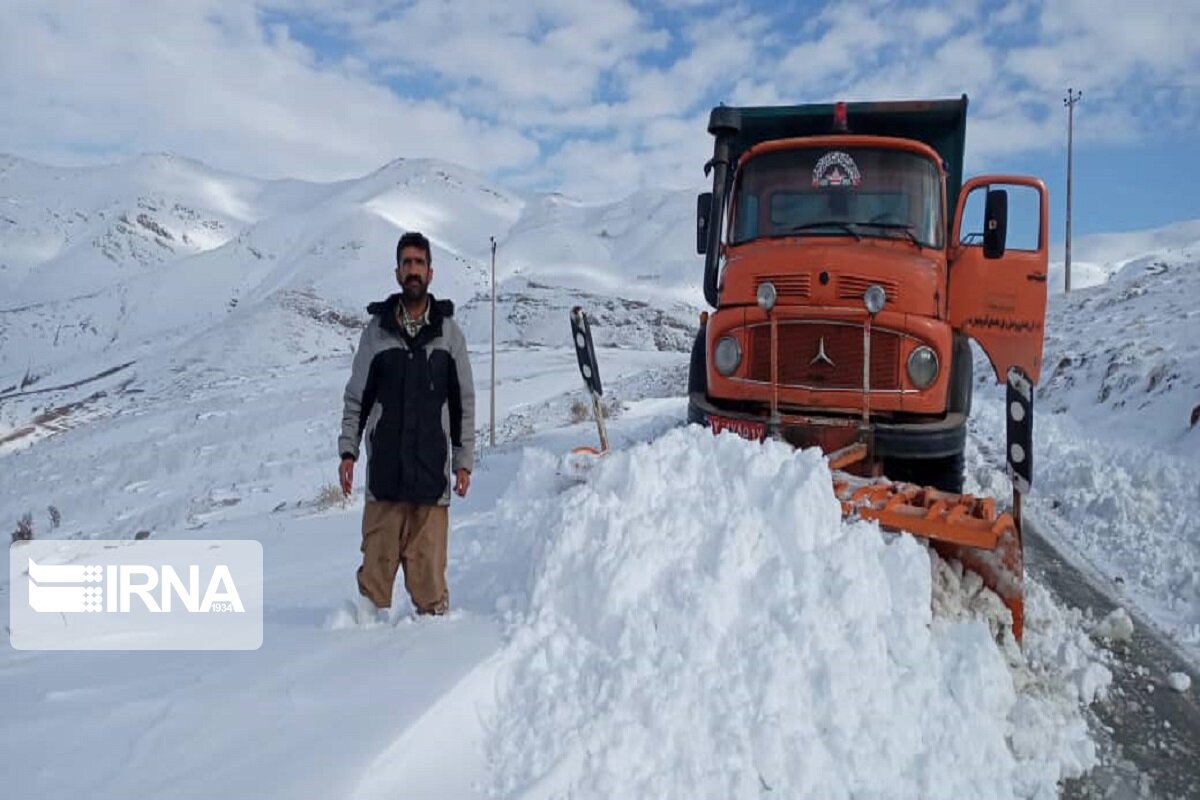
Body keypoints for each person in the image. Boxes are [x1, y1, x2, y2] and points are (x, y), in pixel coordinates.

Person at [338, 231, 475, 621]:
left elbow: (464, 401)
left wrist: (463, 461)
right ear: (397, 273)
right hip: (385, 480)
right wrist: (348, 451)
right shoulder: (376, 333)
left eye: (419, 263)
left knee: (430, 591)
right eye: (406, 263)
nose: (412, 270)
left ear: (431, 272)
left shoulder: (450, 334)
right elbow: (356, 398)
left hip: (432, 482)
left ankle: (430, 668)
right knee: (372, 590)